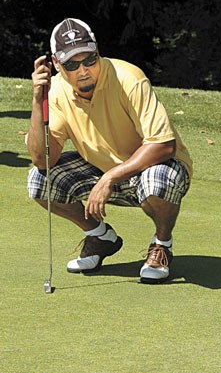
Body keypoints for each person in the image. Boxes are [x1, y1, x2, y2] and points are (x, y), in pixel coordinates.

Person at [27, 18, 192, 284]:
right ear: (56, 65)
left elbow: (163, 145)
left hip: (155, 167)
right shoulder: (54, 91)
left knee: (157, 182)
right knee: (39, 181)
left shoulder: (128, 78)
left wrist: (110, 178)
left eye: (89, 60)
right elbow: (42, 159)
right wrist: (38, 100)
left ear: (98, 53)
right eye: (71, 64)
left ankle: (162, 244)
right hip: (102, 170)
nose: (83, 70)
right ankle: (101, 237)